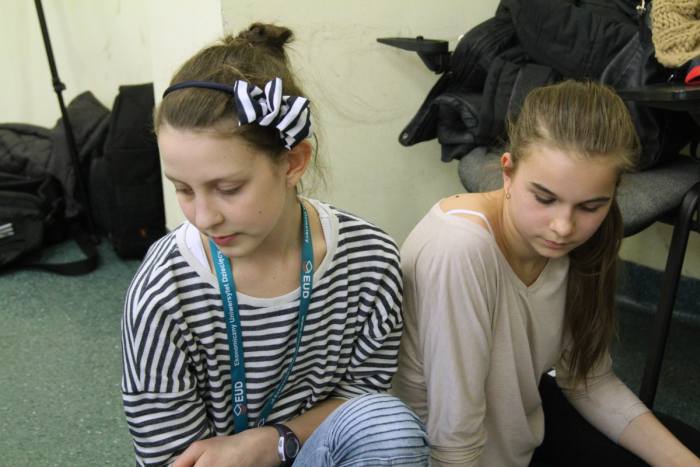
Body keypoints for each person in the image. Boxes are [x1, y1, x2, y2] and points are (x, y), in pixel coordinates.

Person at [120, 23, 429, 467]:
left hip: (304, 449)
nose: (204, 217)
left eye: (228, 188)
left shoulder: (369, 260)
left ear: (293, 162)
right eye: (183, 189)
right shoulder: (163, 290)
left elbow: (362, 397)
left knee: (387, 427)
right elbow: (168, 456)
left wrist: (273, 441)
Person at [391, 80, 700, 466]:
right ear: (507, 172)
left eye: (590, 206)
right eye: (544, 198)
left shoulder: (582, 242)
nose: (563, 227)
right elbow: (453, 441)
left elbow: (588, 380)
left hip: (521, 435)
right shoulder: (459, 247)